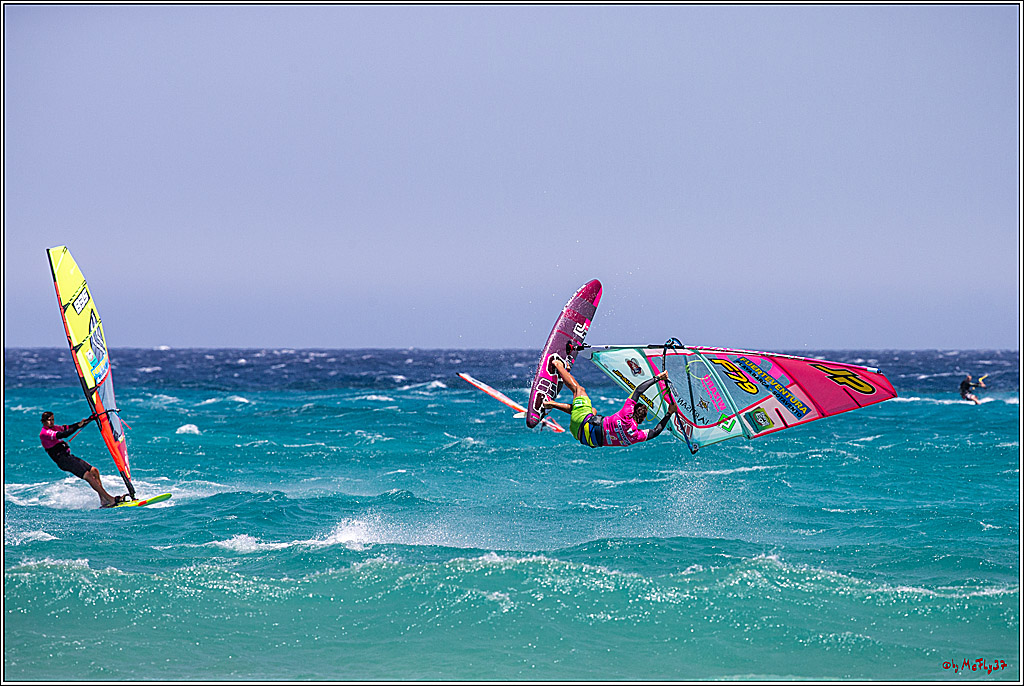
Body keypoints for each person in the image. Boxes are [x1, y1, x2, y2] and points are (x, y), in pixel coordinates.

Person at [542, 358, 677, 448]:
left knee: (579, 390)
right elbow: (656, 431)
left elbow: (638, 391)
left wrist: (658, 378)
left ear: (633, 411)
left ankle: (557, 365)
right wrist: (669, 413)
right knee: (592, 411)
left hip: (582, 424)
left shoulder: (626, 415)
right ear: (641, 420)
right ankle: (551, 404)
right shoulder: (635, 436)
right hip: (582, 438)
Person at [40, 411, 123, 507]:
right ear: (43, 421)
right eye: (49, 420)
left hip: (69, 457)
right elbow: (63, 434)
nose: (52, 422)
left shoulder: (55, 427)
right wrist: (78, 426)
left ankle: (103, 500)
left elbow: (69, 427)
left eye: (53, 420)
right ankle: (110, 499)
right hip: (63, 460)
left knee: (94, 471)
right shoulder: (45, 433)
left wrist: (89, 419)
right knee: (88, 476)